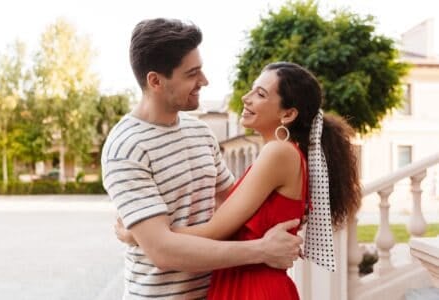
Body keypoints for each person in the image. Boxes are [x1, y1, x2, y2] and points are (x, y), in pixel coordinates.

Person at [117, 61, 362, 299]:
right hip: (243, 284)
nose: (246, 98)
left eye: (261, 94)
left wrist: (143, 236)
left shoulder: (279, 153)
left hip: (254, 289)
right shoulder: (283, 154)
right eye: (252, 90)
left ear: (288, 114)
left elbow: (214, 231)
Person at [101, 18, 303, 300]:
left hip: (217, 293)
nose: (204, 81)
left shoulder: (200, 132)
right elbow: (163, 252)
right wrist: (262, 250)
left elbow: (233, 208)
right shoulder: (126, 147)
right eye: (192, 73)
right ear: (155, 81)